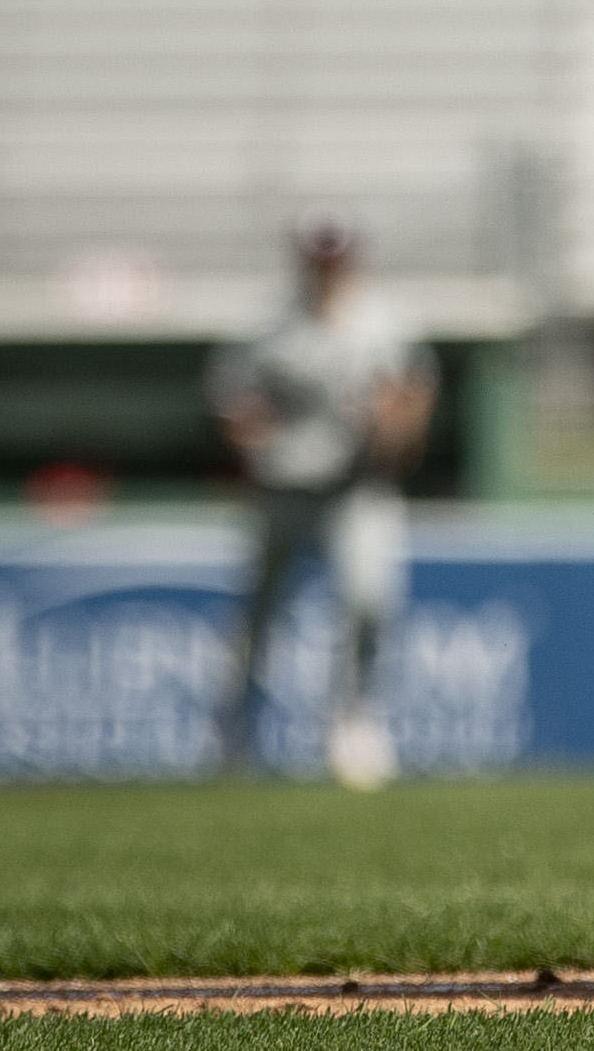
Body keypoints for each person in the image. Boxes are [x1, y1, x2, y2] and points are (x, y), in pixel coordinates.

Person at [209, 213, 435, 789]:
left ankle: (354, 724)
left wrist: (396, 429)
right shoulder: (270, 325)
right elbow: (234, 400)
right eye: (319, 259)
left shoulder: (381, 322)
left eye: (337, 259)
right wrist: (250, 436)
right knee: (261, 614)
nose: (329, 270)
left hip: (357, 486)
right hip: (284, 486)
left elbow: (411, 396)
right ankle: (235, 729)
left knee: (368, 602)